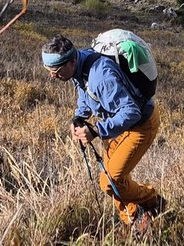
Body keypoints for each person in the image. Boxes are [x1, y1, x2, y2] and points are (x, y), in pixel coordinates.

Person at [41, 34, 166, 231]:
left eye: (55, 71)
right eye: (48, 71)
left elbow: (131, 112)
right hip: (116, 126)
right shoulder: (80, 64)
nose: (52, 76)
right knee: (113, 178)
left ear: (71, 62)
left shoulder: (101, 76)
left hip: (140, 125)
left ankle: (153, 201)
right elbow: (84, 90)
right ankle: (134, 222)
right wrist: (79, 117)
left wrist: (97, 129)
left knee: (110, 181)